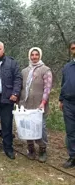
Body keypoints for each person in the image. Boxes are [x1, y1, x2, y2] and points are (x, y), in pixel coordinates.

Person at [19, 47, 52, 163]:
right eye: (32, 55)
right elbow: (21, 87)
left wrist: (43, 102)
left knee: (40, 127)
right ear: (29, 56)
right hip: (26, 103)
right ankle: (31, 148)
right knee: (27, 126)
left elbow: (47, 88)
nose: (34, 57)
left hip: (39, 105)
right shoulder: (24, 71)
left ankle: (42, 149)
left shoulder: (45, 70)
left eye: (36, 55)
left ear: (40, 56)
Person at [60, 40, 75, 168]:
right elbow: (63, 84)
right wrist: (61, 100)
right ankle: (72, 157)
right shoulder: (67, 67)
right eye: (73, 48)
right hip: (69, 103)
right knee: (70, 132)